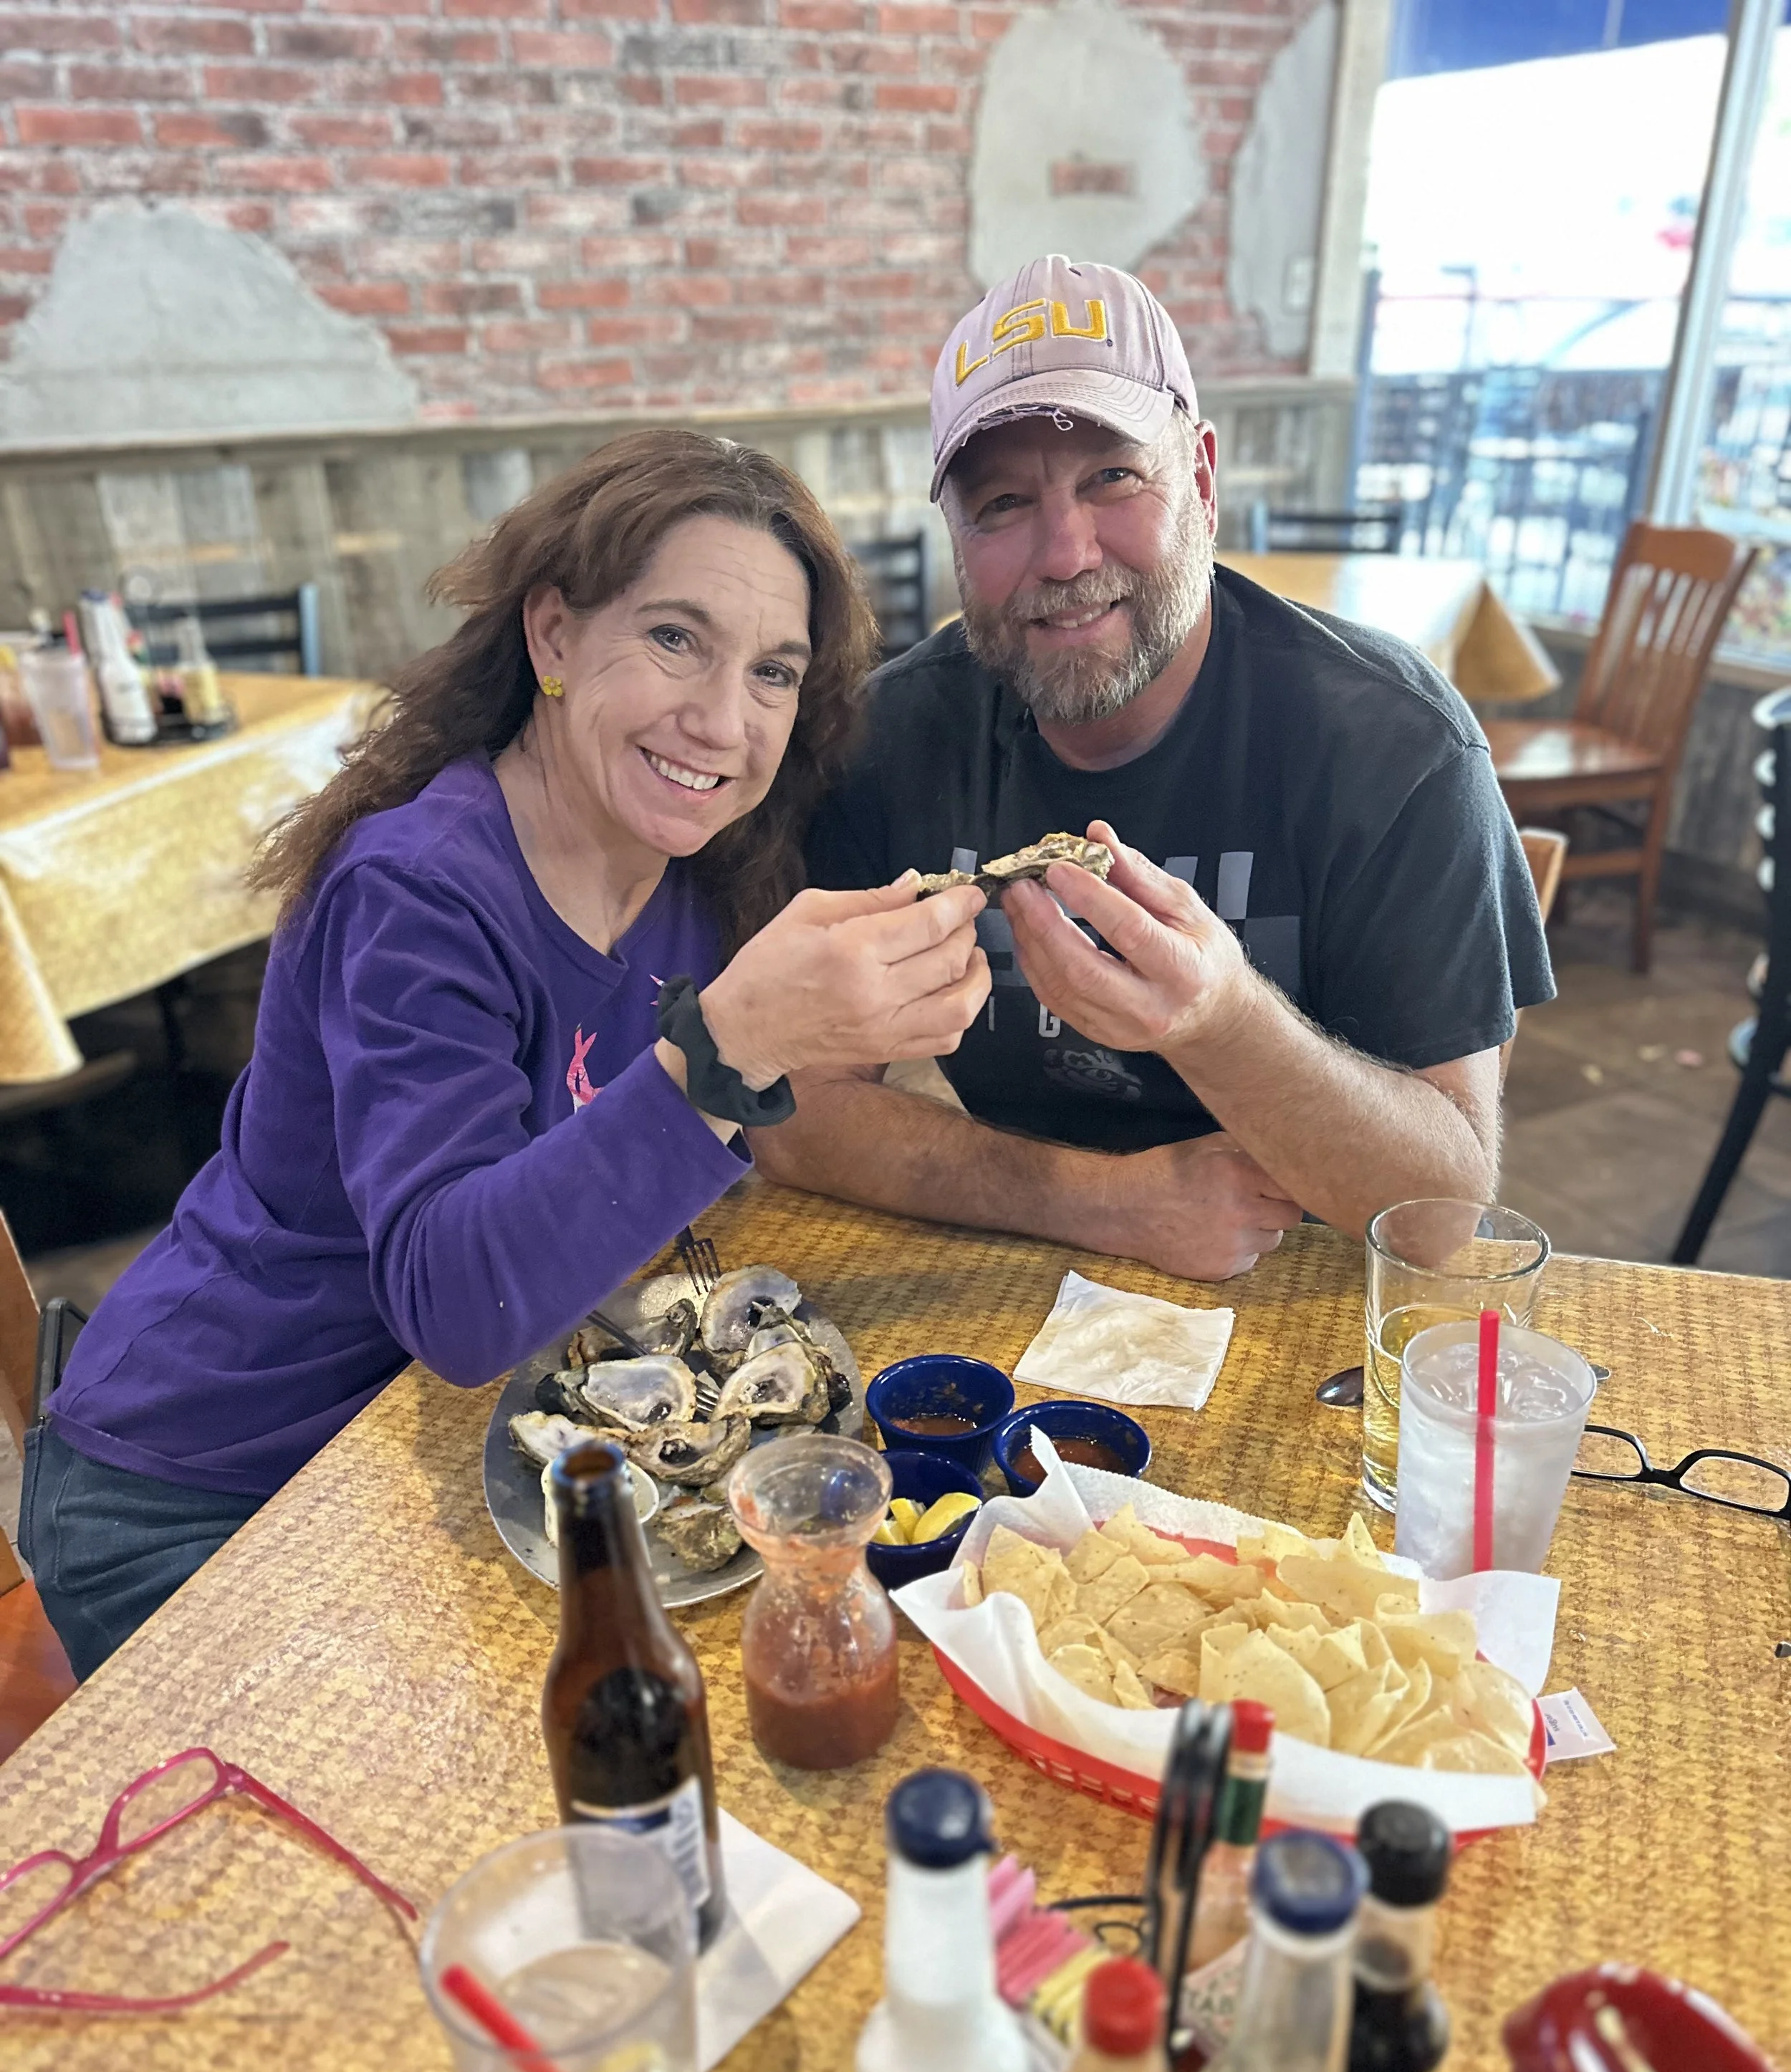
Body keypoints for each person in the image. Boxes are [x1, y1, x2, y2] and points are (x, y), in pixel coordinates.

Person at [21, 429, 989, 1680]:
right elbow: (454, 1300)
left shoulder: (695, 875)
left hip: (421, 1450)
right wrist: (733, 1048)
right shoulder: (419, 891)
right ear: (552, 639)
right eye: (676, 638)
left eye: (774, 672)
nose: (720, 719)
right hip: (202, 1482)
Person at [754, 255, 1555, 1282]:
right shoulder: (892, 737)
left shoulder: (1390, 743)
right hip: (1015, 1273)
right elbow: (793, 1115)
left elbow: (1438, 1215)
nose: (1066, 553)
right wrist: (1108, 1203)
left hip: (1308, 1295)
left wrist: (1218, 1020)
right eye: (1001, 504)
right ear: (953, 536)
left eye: (1113, 477)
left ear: (1205, 482)